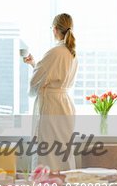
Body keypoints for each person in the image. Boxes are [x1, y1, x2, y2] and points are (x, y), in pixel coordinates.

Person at [24, 13, 78, 171]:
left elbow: (36, 81)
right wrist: (34, 64)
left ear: (54, 29)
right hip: (65, 106)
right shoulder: (71, 52)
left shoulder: (54, 52)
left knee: (47, 153)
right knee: (62, 152)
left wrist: (35, 69)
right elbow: (53, 77)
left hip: (51, 107)